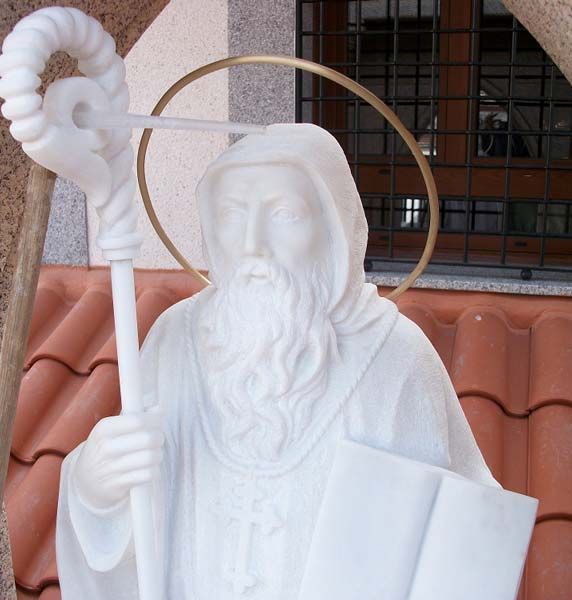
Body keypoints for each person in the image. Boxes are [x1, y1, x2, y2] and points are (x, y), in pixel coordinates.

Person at [56, 123, 499, 599]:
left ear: (334, 228)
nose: (252, 244)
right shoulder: (175, 338)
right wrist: (96, 491)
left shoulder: (395, 358)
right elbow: (134, 502)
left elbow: (463, 543)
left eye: (284, 214)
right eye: (232, 213)